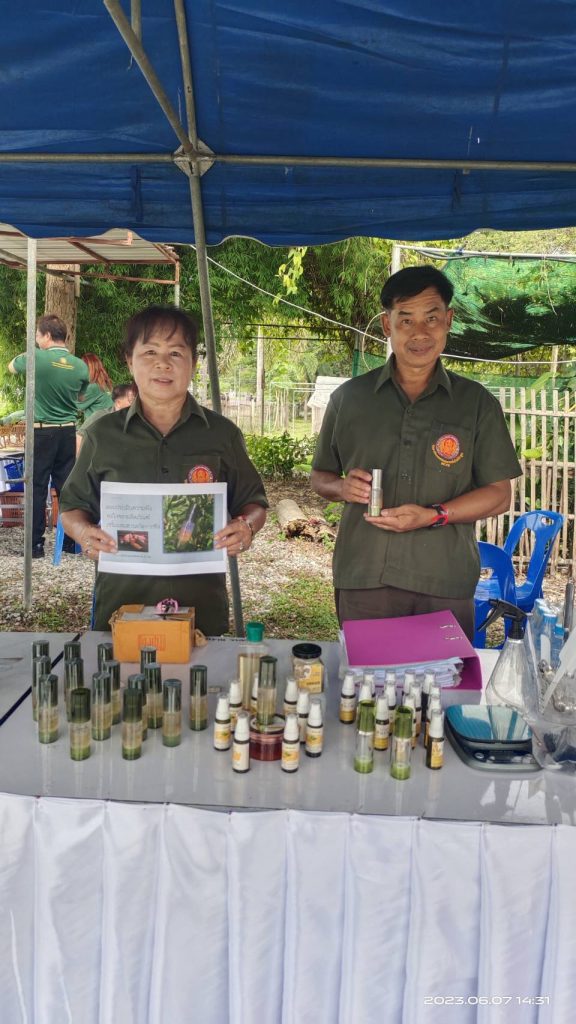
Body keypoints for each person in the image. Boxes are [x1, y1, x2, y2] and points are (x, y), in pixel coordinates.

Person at [310, 265, 522, 641]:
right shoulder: (349, 399)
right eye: (406, 319)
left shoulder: (476, 404)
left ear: (448, 321)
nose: (420, 333)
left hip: (443, 579)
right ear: (387, 325)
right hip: (365, 576)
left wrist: (434, 515)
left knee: (443, 678)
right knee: (368, 677)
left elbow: (499, 495)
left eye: (431, 318)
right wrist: (342, 488)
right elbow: (320, 477)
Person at [60, 305, 268, 635]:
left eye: (175, 352)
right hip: (121, 606)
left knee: (203, 670)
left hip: (202, 608)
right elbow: (72, 508)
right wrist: (84, 533)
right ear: (130, 361)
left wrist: (246, 527)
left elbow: (254, 503)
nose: (163, 363)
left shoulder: (222, 435)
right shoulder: (102, 435)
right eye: (150, 352)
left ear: (193, 363)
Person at [8, 314, 89, 558]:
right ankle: (70, 543)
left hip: (42, 432)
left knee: (37, 486)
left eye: (37, 335)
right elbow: (81, 398)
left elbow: (11, 367)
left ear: (47, 336)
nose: (36, 340)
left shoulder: (35, 358)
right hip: (68, 431)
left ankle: (36, 545)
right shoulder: (80, 365)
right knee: (67, 487)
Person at [76, 382, 136, 452]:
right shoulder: (100, 416)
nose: (135, 403)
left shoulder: (134, 418)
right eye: (131, 400)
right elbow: (80, 437)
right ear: (118, 403)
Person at [77, 352, 114, 421]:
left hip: (98, 425)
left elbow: (74, 406)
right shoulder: (103, 383)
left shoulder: (93, 387)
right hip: (106, 423)